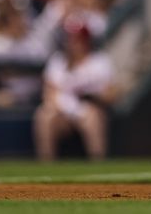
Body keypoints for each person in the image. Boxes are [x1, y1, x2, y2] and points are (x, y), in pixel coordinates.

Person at [33, 23, 117, 161]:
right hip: (62, 113)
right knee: (44, 116)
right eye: (69, 39)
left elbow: (111, 94)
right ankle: (46, 166)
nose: (72, 43)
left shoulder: (99, 62)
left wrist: (92, 97)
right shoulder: (57, 61)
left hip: (89, 110)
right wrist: (70, 110)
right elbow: (49, 94)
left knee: (92, 117)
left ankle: (98, 164)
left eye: (76, 39)